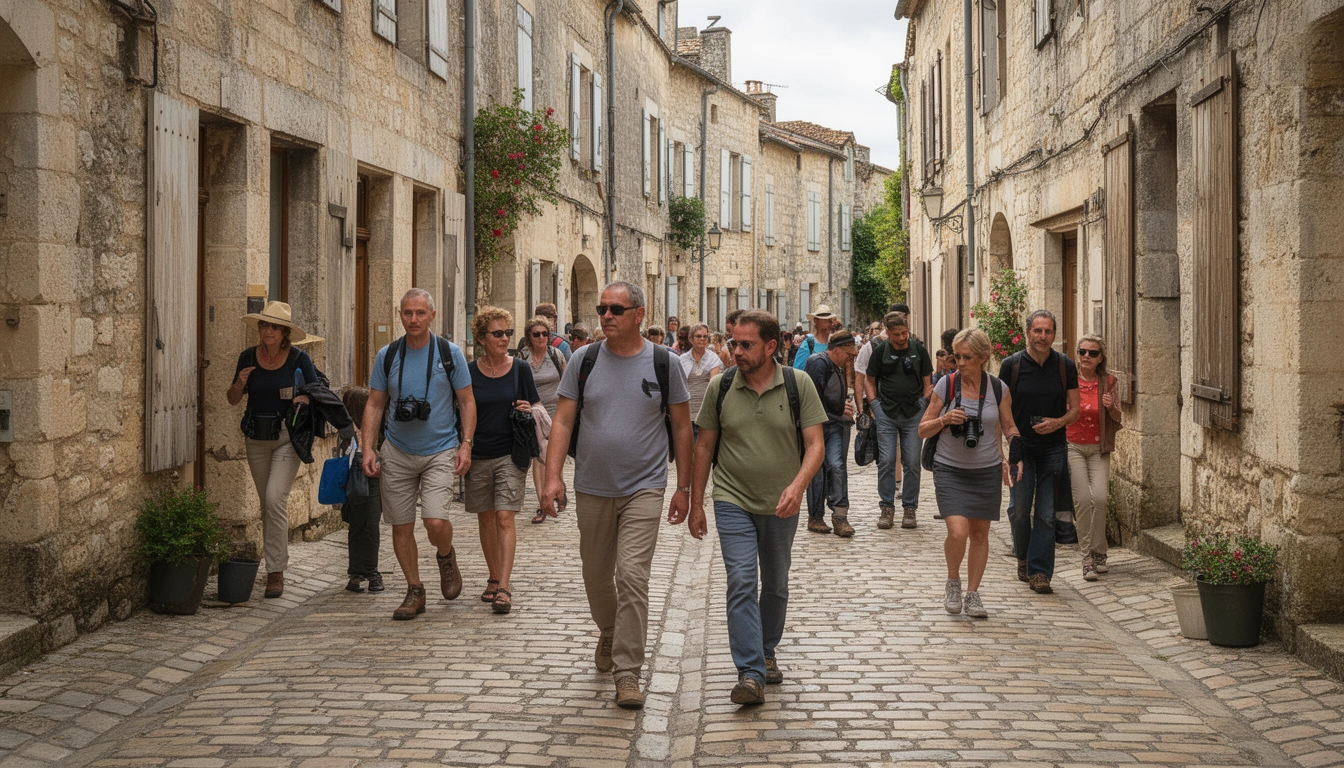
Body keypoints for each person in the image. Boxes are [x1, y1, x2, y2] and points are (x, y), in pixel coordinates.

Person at [539, 281, 694, 710]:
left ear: (639, 314)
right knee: (595, 576)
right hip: (592, 485)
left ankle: (628, 672)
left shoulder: (664, 363)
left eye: (616, 309)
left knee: (632, 576)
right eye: (602, 308)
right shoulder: (583, 361)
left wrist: (684, 487)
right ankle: (608, 630)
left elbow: (682, 427)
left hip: (645, 486)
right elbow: (563, 422)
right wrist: (552, 478)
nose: (606, 315)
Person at [688, 310, 826, 706]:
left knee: (776, 584)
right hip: (732, 497)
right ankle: (750, 671)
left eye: (746, 344)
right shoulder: (722, 385)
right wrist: (697, 503)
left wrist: (798, 487)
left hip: (782, 503)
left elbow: (815, 445)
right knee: (742, 579)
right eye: (733, 343)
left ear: (771, 346)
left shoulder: (798, 385)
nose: (736, 351)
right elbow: (704, 446)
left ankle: (767, 649)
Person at [361, 288, 477, 621]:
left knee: (435, 520)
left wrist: (466, 443)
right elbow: (375, 403)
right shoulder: (387, 355)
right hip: (397, 450)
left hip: (440, 448)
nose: (413, 319)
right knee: (401, 526)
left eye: (420, 313)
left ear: (432, 315)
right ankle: (415, 590)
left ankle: (446, 555)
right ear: (400, 315)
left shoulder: (448, 353)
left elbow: (467, 402)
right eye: (407, 313)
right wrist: (368, 447)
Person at [918, 328, 1023, 619]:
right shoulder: (945, 386)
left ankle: (973, 594)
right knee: (958, 531)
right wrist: (944, 419)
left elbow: (1010, 427)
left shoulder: (998, 389)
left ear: (984, 357)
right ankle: (953, 582)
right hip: (950, 469)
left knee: (979, 534)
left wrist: (1016, 454)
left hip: (986, 470)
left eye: (967, 357)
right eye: (957, 356)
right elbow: (922, 429)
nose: (960, 363)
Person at [228, 301, 318, 599]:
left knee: (273, 498)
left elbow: (315, 392)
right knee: (268, 505)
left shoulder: (298, 359)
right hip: (255, 438)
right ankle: (274, 564)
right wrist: (240, 383)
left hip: (285, 438)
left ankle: (275, 572)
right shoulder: (246, 357)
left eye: (274, 327)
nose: (268, 331)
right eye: (264, 326)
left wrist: (303, 399)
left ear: (284, 333)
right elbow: (232, 399)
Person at [997, 310, 1080, 594]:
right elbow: (1001, 409)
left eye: (1048, 332)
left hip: (1053, 448)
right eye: (1038, 331)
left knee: (1045, 513)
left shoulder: (1065, 366)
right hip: (1022, 449)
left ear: (1054, 335)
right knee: (1019, 509)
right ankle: (1023, 556)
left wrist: (1058, 422)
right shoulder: (1012, 365)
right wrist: (1004, 450)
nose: (1043, 337)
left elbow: (1076, 409)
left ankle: (1040, 572)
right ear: (1028, 332)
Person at [467, 307, 540, 614]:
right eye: (497, 333)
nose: (504, 338)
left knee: (504, 517)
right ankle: (494, 576)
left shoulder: (520, 369)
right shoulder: (469, 371)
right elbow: (462, 408)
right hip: (478, 453)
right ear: (482, 338)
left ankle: (505, 587)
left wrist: (527, 407)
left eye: (508, 333)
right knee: (485, 517)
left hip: (511, 452)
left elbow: (535, 405)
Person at [865, 312, 933, 530]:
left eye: (904, 333)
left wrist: (923, 403)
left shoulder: (919, 350)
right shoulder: (879, 352)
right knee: (886, 460)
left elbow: (927, 380)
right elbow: (870, 379)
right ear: (888, 332)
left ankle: (910, 508)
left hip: (913, 413)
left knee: (912, 461)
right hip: (886, 412)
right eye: (897, 334)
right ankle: (886, 507)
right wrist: (874, 405)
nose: (902, 337)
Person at [1067, 334, 1121, 581]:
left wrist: (1110, 406)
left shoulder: (1108, 381)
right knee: (1082, 500)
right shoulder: (1068, 380)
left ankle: (1100, 551)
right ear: (1077, 354)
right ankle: (1087, 557)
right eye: (1082, 352)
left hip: (1099, 448)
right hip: (1074, 446)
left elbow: (1119, 417)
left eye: (1093, 353)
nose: (1086, 356)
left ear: (1101, 358)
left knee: (1099, 498)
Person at [803, 329, 858, 536]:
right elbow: (812, 399)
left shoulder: (835, 366)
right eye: (848, 352)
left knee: (836, 466)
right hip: (819, 425)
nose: (850, 357)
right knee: (818, 471)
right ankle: (816, 517)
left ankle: (840, 516)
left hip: (834, 424)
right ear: (835, 349)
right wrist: (837, 409)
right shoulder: (819, 363)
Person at [520, 317, 566, 525]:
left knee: (554, 452)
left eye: (545, 334)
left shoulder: (556, 355)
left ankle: (558, 487)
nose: (541, 338)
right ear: (529, 337)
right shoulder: (522, 359)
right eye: (536, 334)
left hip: (556, 411)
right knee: (539, 456)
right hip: (534, 412)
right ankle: (542, 501)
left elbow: (567, 381)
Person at [339, 385, 383, 594]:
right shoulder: (348, 432)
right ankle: (357, 572)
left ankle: (371, 571)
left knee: (370, 525)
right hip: (354, 482)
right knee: (358, 526)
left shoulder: (378, 429)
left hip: (373, 481)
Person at [680, 323, 724, 440]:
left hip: (706, 411)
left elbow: (713, 384)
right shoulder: (682, 360)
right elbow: (680, 385)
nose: (702, 339)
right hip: (687, 411)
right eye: (698, 336)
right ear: (691, 339)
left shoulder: (713, 358)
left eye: (705, 336)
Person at [854, 321, 886, 412]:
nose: (875, 331)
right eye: (873, 329)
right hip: (871, 400)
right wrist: (861, 411)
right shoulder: (869, 347)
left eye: (877, 329)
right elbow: (859, 378)